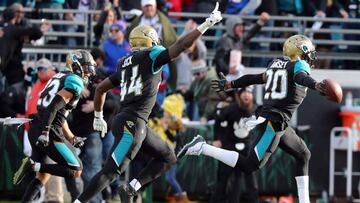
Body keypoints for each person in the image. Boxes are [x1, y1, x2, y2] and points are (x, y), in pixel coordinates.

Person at [74, 3, 223, 203]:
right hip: (132, 124)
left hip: (131, 122)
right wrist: (207, 24)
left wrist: (99, 115)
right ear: (150, 40)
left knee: (168, 157)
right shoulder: (152, 56)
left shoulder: (124, 62)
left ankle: (131, 188)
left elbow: (101, 89)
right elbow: (180, 46)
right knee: (110, 172)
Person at [178, 34, 329, 203]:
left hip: (279, 121)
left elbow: (255, 78)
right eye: (308, 53)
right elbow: (301, 77)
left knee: (303, 154)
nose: (310, 58)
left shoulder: (275, 65)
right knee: (250, 166)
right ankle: (202, 147)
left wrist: (231, 84)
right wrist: (316, 85)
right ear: (301, 52)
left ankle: (304, 201)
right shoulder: (299, 66)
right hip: (273, 122)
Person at [12, 50, 97, 202]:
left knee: (43, 177)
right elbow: (53, 107)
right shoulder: (74, 81)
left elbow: (60, 113)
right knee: (76, 169)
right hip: (48, 130)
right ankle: (33, 166)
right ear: (76, 65)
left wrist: (71, 137)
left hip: (36, 127)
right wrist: (46, 131)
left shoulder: (59, 76)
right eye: (85, 67)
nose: (88, 73)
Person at [210, 87, 259, 203]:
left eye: (249, 93)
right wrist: (217, 139)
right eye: (244, 93)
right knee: (223, 178)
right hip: (230, 147)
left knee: (249, 179)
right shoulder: (231, 109)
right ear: (239, 95)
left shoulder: (256, 110)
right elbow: (218, 120)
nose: (246, 95)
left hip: (247, 148)